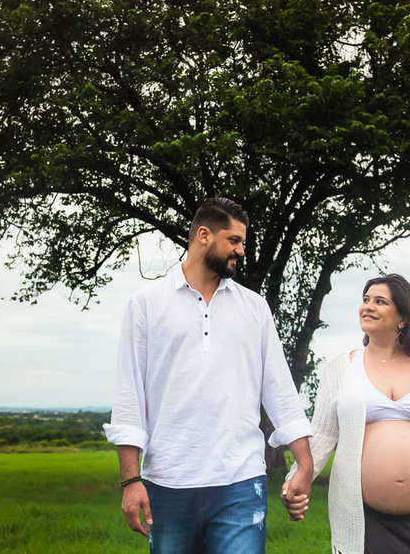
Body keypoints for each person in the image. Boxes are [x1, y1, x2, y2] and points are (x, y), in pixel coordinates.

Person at [105, 197, 314, 553]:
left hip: (240, 481)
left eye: (242, 243)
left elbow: (279, 390)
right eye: (234, 241)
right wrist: (130, 479)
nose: (240, 251)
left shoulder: (254, 307)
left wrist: (304, 462)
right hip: (167, 481)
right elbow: (129, 396)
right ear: (204, 235)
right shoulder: (146, 303)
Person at [281, 274, 410, 554]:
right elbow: (322, 436)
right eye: (365, 300)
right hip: (364, 518)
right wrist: (295, 480)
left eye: (380, 301)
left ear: (403, 318)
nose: (368, 306)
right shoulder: (340, 368)